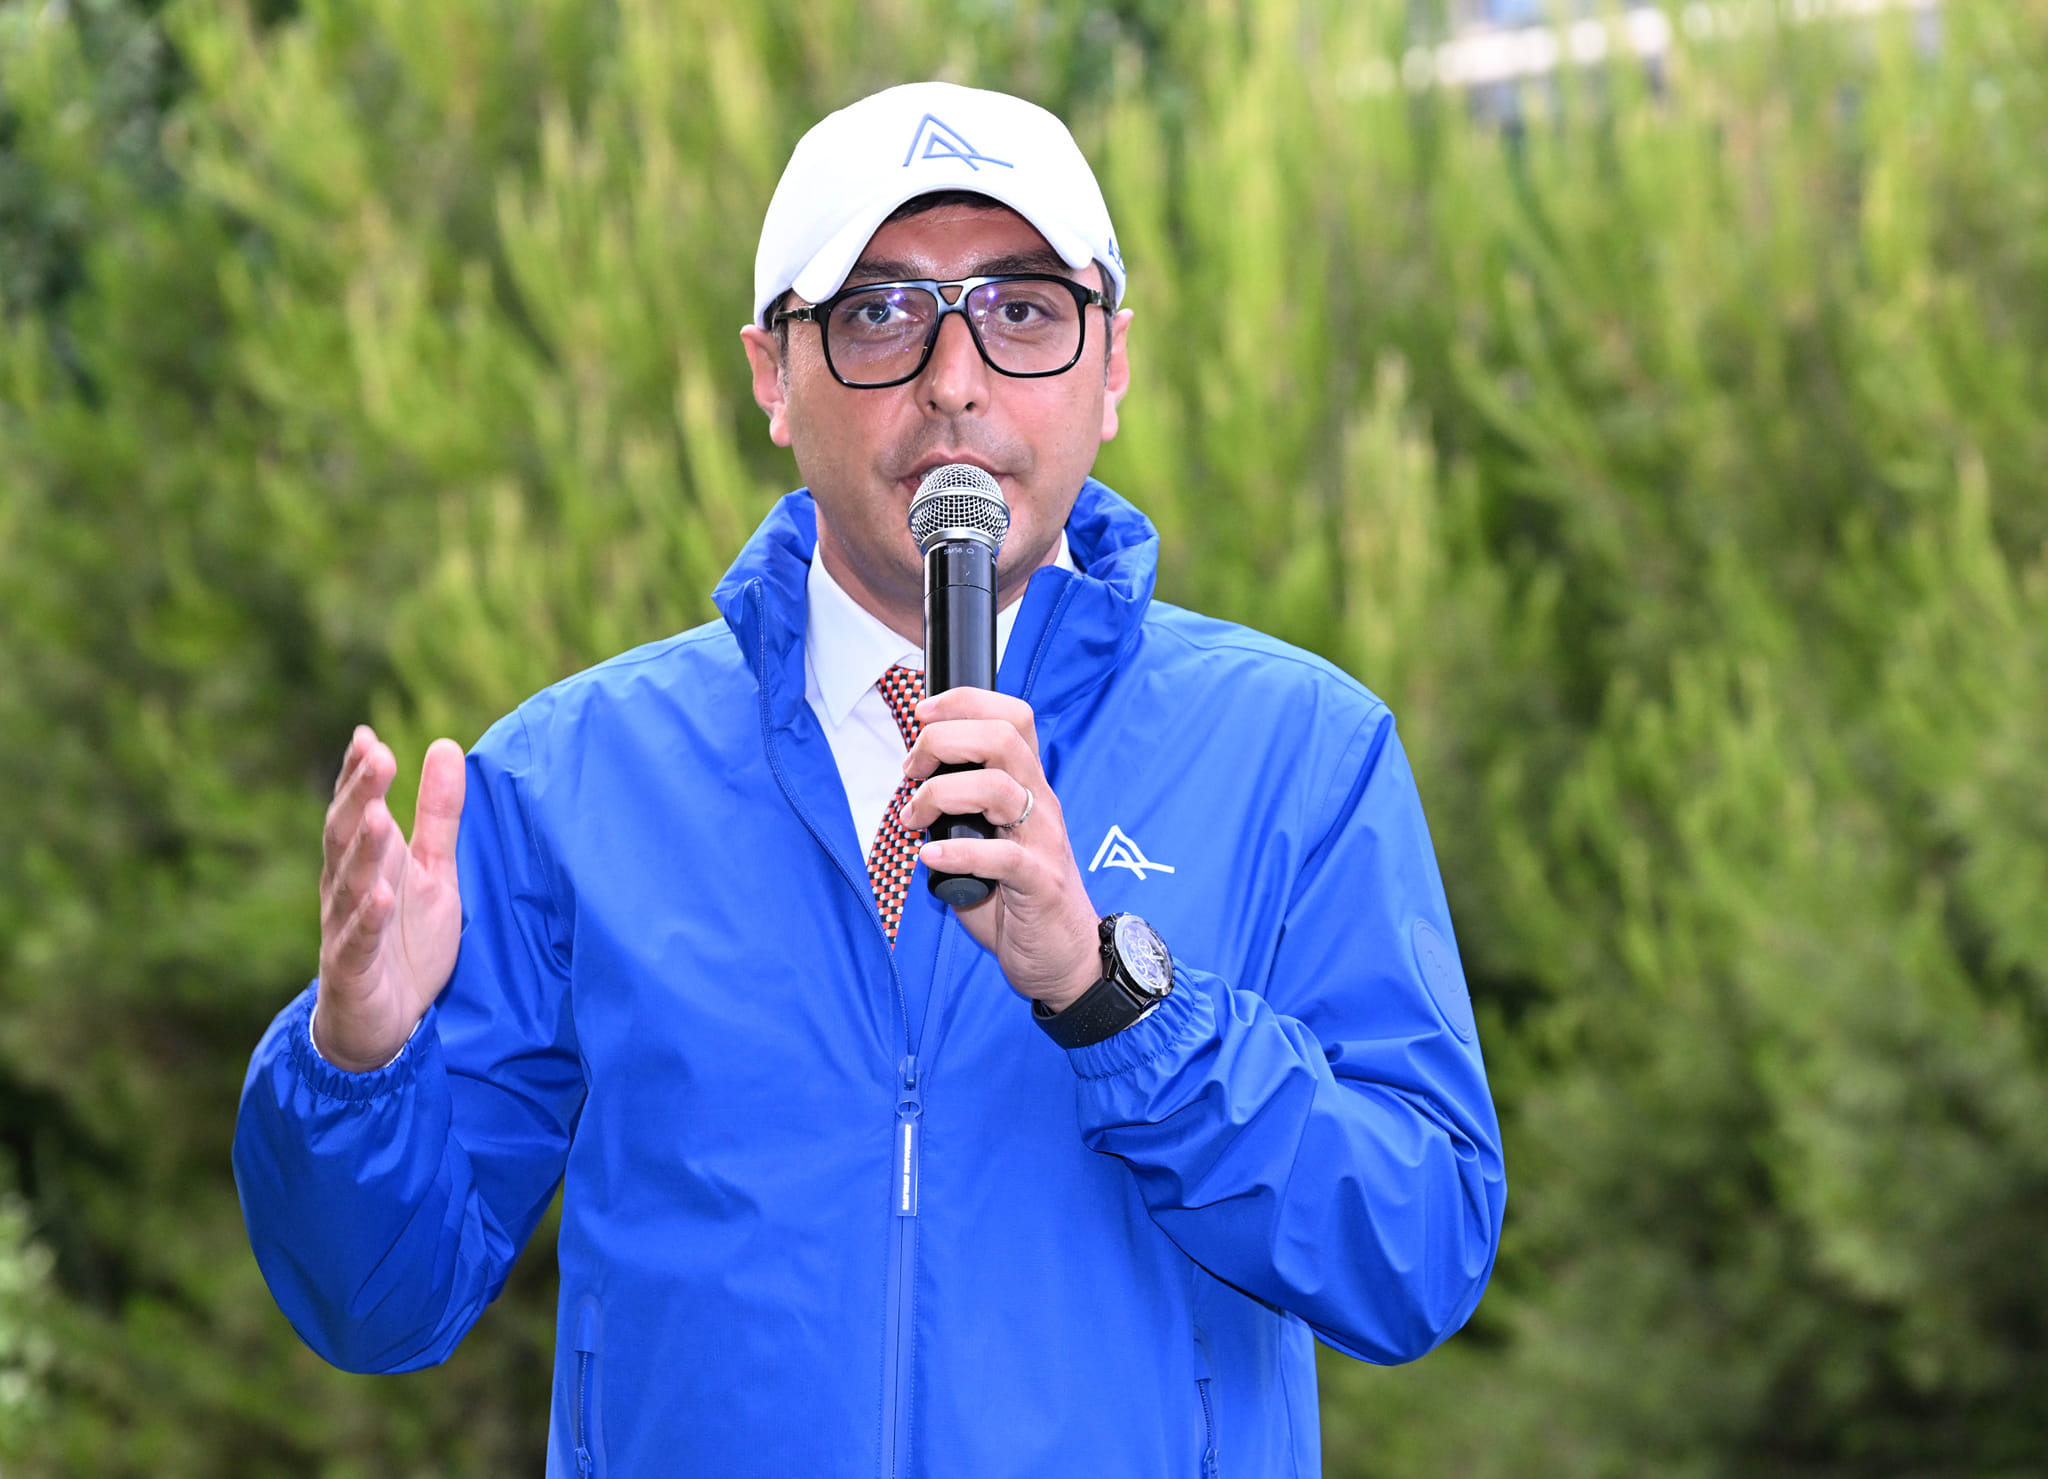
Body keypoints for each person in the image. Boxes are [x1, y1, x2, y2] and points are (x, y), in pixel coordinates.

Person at [233, 80, 1505, 1478]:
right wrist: (358, 1067)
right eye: (882, 313)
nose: (955, 378)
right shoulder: (571, 779)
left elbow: (1419, 1252)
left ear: (1114, 366)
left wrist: (1111, 996)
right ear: (773, 375)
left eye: (1023, 309)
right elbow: (376, 1303)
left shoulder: (1299, 751)